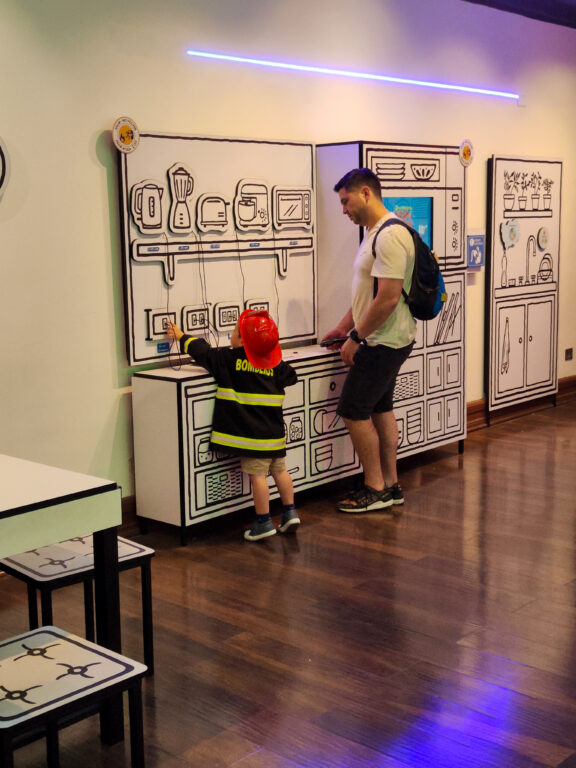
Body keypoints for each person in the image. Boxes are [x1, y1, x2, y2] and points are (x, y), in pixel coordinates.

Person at [322, 168, 416, 513]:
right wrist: (343, 328)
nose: (343, 209)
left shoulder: (389, 236)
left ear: (365, 194)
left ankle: (374, 486)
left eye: (345, 201)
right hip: (385, 339)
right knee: (380, 409)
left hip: (382, 342)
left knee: (352, 410)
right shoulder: (376, 233)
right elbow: (367, 294)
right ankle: (391, 484)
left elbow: (388, 298)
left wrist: (356, 339)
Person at [166, 310, 300, 541]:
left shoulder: (228, 360)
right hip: (275, 435)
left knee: (257, 477)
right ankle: (290, 513)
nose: (232, 335)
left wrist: (180, 335)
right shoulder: (274, 363)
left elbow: (201, 351)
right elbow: (291, 376)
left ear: (241, 341)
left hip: (251, 438)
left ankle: (263, 522)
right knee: (280, 471)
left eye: (235, 333)